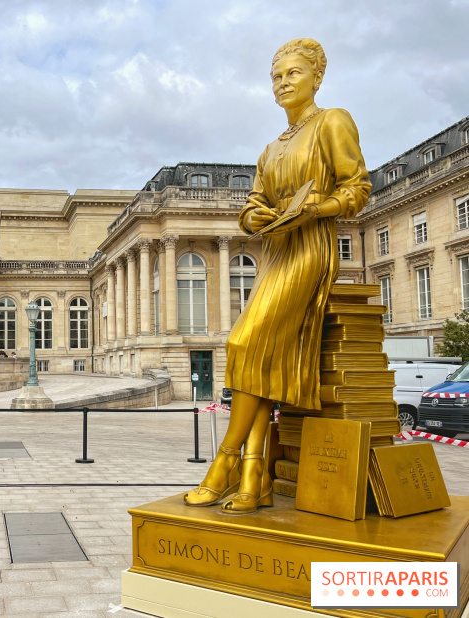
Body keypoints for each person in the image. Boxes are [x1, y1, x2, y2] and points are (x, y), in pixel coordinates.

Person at [184, 39, 370, 515]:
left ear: (316, 78)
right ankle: (253, 478)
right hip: (276, 252)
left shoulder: (333, 121)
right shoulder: (270, 149)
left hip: (311, 248)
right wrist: (256, 219)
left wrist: (319, 207)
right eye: (276, 77)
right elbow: (252, 205)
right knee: (261, 359)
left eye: (293, 73)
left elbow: (358, 188)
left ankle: (224, 463)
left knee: (243, 343)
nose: (283, 83)